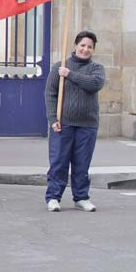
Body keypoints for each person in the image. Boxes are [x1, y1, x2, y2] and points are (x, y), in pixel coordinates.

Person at [45, 30, 106, 212]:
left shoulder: (96, 69)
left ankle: (81, 197)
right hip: (63, 124)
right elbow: (50, 94)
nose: (85, 49)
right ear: (75, 46)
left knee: (82, 163)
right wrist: (52, 119)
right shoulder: (59, 67)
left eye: (89, 47)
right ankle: (53, 197)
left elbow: (94, 84)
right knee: (59, 162)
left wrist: (70, 74)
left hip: (87, 125)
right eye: (82, 45)